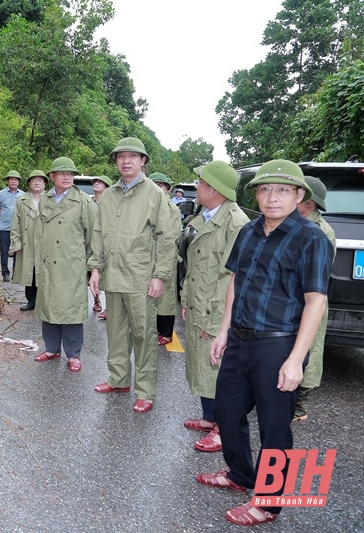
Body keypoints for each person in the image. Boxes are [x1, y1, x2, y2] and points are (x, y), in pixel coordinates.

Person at [196, 160, 333, 526]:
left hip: (279, 344)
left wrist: (295, 359)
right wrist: (223, 331)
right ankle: (241, 474)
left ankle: (270, 504)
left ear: (299, 195)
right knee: (226, 411)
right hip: (239, 338)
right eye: (265, 189)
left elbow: (315, 301)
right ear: (255, 194)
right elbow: (236, 281)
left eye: (283, 190)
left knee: (275, 427)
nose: (273, 197)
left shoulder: (311, 238)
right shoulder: (250, 231)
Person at [88, 138, 178, 412]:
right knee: (115, 331)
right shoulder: (111, 194)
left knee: (143, 334)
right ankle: (119, 378)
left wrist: (159, 275)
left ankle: (145, 391)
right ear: (116, 161)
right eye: (121, 156)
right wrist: (95, 268)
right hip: (113, 276)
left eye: (133, 156)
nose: (126, 161)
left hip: (141, 277)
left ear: (142, 161)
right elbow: (99, 233)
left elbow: (166, 237)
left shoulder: (154, 194)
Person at [180, 161, 249, 454]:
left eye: (201, 183)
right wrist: (186, 300)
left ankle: (224, 429)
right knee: (202, 364)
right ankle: (210, 418)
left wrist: (219, 316)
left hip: (216, 309)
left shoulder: (235, 223)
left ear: (216, 190)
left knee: (220, 370)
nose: (197, 187)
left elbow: (233, 277)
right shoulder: (207, 216)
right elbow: (194, 266)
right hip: (199, 304)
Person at [33, 157, 96, 373]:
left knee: (71, 311)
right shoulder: (45, 199)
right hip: (49, 263)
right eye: (62, 173)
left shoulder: (84, 202)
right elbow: (39, 232)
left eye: (70, 173)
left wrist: (89, 265)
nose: (67, 176)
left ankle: (74, 354)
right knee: (49, 307)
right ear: (52, 176)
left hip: (72, 265)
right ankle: (51, 349)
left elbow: (92, 237)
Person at [294, 175, 336, 421]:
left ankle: (300, 406)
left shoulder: (319, 231)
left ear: (309, 203)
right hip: (294, 299)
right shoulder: (296, 224)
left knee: (309, 349)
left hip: (309, 298)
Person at [149, 172, 181, 346]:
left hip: (165, 256)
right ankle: (152, 329)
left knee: (166, 298)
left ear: (168, 189)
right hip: (146, 257)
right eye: (155, 185)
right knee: (149, 296)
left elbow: (172, 235)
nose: (158, 189)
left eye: (161, 185)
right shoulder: (145, 205)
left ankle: (166, 332)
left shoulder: (172, 209)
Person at [9, 170, 47, 311]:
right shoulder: (21, 201)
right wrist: (16, 243)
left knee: (44, 271)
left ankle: (43, 302)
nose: (37, 182)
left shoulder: (51, 200)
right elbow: (15, 224)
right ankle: (31, 301)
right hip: (27, 242)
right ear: (29, 183)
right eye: (34, 180)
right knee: (30, 270)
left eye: (40, 180)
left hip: (45, 243)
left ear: (44, 183)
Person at [0, 170, 24, 282]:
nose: (13, 181)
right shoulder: (1, 194)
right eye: (11, 179)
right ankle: (5, 274)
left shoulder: (23, 195)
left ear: (18, 182)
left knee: (18, 250)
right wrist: (2, 218)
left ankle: (16, 273)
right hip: (4, 227)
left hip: (18, 228)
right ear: (7, 181)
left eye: (16, 180)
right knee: (4, 250)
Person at [90, 176, 113, 314]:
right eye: (95, 182)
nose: (96, 184)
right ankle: (96, 300)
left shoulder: (111, 202)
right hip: (90, 241)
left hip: (106, 242)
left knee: (107, 275)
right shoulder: (88, 201)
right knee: (92, 273)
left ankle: (108, 307)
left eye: (100, 182)